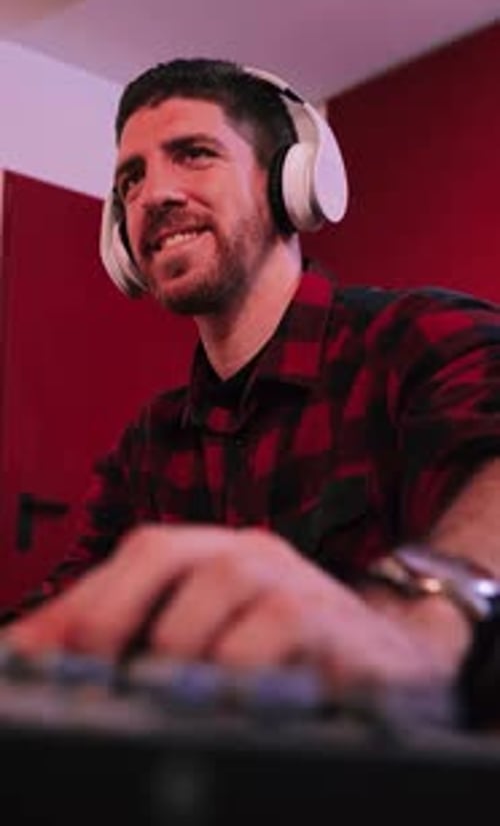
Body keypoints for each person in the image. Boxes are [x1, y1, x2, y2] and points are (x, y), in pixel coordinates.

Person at [4, 57, 500, 701]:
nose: (153, 195)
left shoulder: (418, 340)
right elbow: (62, 616)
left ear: (289, 184)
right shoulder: (149, 444)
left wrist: (423, 616)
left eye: (194, 153)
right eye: (131, 178)